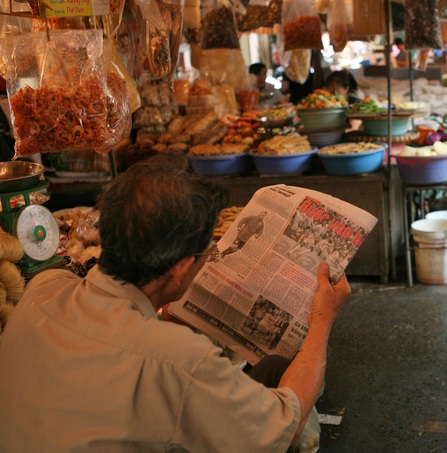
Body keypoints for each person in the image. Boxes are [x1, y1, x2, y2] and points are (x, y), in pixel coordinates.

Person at [0, 153, 351, 451]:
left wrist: (170, 316)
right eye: (206, 253)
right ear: (182, 268)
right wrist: (322, 320)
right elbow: (285, 424)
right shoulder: (182, 361)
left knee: (273, 369)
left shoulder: (44, 288)